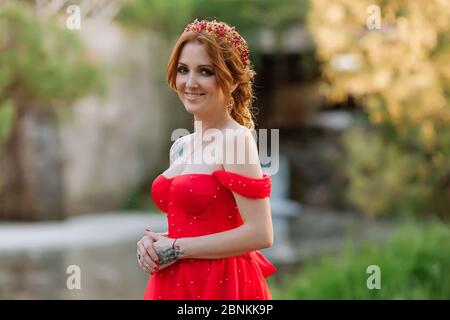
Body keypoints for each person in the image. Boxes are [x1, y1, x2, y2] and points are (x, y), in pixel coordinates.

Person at [136, 19, 276, 300]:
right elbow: (198, 225)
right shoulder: (180, 146)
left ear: (233, 79)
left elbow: (260, 234)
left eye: (205, 71)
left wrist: (176, 248)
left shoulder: (236, 140)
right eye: (183, 70)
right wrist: (155, 243)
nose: (190, 82)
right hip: (172, 282)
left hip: (221, 284)